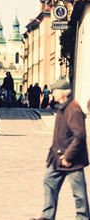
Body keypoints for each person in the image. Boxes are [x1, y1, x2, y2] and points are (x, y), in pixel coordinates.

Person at [30, 79, 90, 220]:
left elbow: (80, 135)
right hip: (58, 159)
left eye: (54, 92)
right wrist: (51, 158)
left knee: (79, 192)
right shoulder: (64, 107)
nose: (52, 95)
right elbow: (59, 136)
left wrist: (68, 156)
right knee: (49, 182)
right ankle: (47, 216)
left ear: (62, 93)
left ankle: (83, 217)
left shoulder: (73, 109)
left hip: (71, 160)